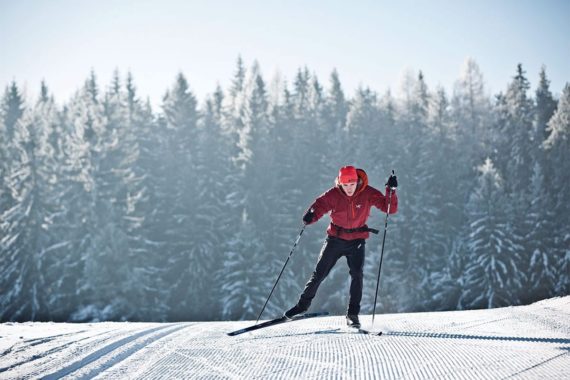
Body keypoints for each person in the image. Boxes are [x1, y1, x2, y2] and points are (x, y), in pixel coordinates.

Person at [284, 165, 398, 328]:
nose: (349, 189)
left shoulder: (367, 193)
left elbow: (390, 208)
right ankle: (301, 307)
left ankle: (353, 315)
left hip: (357, 240)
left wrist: (390, 190)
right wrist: (311, 215)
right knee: (319, 274)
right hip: (335, 240)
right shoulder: (333, 194)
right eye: (345, 185)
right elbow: (320, 205)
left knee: (357, 275)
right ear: (340, 183)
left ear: (357, 182)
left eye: (351, 184)